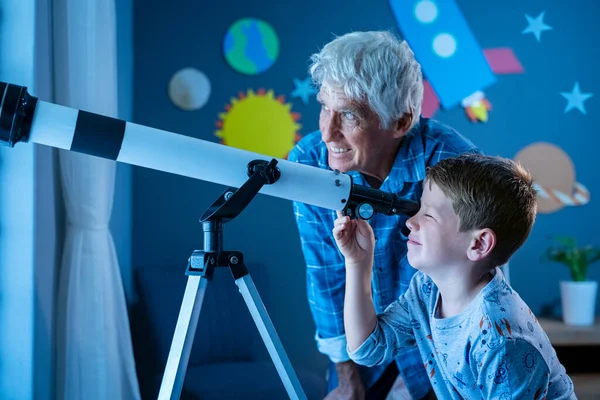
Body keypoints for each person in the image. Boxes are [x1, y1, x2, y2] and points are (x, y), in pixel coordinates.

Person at [288, 30, 480, 399]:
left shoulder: (455, 164)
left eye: (349, 115)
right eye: (325, 107)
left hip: (442, 341)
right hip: (358, 341)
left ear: (402, 122)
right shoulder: (310, 163)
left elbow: (474, 283)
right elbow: (325, 275)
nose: (327, 132)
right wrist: (347, 379)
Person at [334, 154, 576, 399]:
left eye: (428, 216)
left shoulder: (500, 340)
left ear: (479, 243)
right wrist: (358, 262)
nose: (410, 222)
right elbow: (368, 349)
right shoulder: (427, 290)